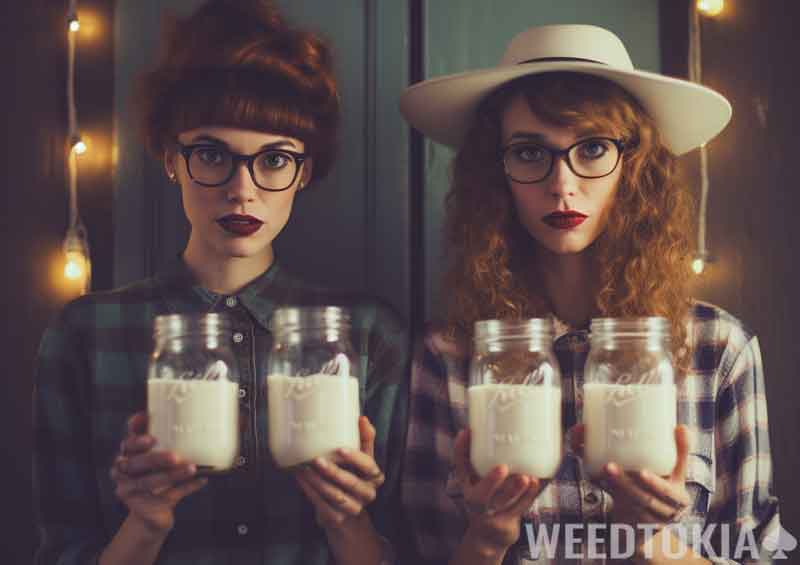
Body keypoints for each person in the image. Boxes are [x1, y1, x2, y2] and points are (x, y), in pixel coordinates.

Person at [33, 1, 408, 564]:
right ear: (170, 157)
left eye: (275, 160)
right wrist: (145, 523)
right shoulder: (85, 334)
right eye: (212, 155)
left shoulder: (366, 334)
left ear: (303, 172)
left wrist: (347, 521)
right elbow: (61, 549)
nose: (242, 188)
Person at [398, 24, 781, 564]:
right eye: (531, 153)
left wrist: (650, 537)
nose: (562, 183)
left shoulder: (718, 349)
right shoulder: (450, 355)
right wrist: (487, 538)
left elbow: (754, 553)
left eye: (594, 148)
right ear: (497, 173)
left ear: (635, 167)